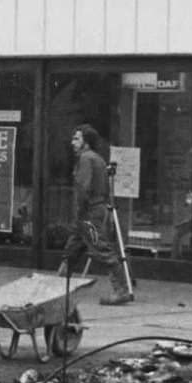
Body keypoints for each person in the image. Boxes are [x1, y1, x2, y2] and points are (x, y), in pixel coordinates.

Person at [58, 124, 133, 304]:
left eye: (77, 139)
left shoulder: (86, 159)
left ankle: (121, 289)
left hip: (88, 213)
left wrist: (79, 214)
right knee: (72, 249)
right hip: (94, 210)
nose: (72, 142)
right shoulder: (97, 159)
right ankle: (57, 288)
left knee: (101, 249)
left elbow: (83, 188)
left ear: (86, 142)